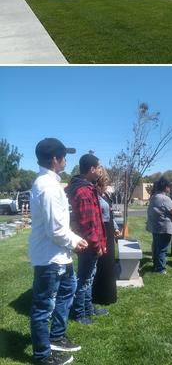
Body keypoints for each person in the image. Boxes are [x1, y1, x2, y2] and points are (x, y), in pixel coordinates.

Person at [29, 137, 88, 365]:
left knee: (68, 288)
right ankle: (42, 355)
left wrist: (72, 241)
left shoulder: (50, 184)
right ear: (55, 159)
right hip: (50, 256)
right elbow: (56, 230)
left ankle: (56, 335)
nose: (65, 160)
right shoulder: (48, 187)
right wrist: (75, 241)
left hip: (58, 254)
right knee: (43, 306)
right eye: (64, 156)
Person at [66, 153, 107, 324]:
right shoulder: (83, 191)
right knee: (84, 279)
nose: (100, 170)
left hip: (91, 243)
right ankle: (79, 313)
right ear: (91, 169)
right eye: (98, 167)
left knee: (89, 276)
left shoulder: (88, 187)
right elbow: (88, 224)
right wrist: (97, 244)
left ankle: (88, 308)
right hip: (88, 244)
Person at [92, 166, 120, 306]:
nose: (105, 186)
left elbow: (110, 214)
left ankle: (109, 294)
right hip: (101, 233)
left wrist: (115, 228)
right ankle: (99, 296)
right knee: (102, 265)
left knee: (109, 265)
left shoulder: (105, 195)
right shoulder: (93, 196)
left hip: (109, 232)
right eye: (103, 184)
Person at [147, 176, 172, 273]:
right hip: (164, 227)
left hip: (155, 226)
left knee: (156, 246)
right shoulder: (165, 198)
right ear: (166, 187)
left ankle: (156, 265)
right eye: (169, 187)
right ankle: (161, 269)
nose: (170, 188)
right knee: (163, 248)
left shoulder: (154, 197)